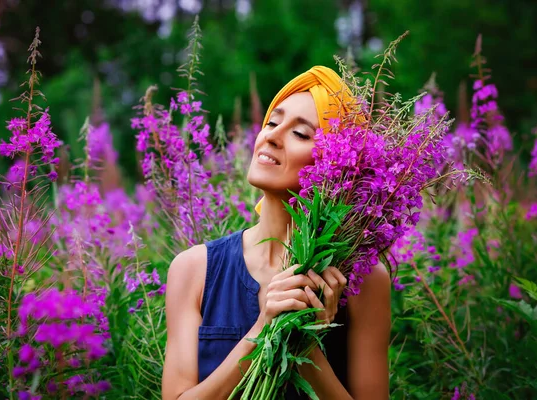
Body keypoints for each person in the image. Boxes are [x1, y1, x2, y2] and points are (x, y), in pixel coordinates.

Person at [162, 66, 391, 399]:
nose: (270, 135)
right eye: (272, 122)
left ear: (339, 167)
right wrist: (264, 329)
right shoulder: (193, 269)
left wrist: (302, 343)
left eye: (299, 133)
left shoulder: (361, 281)